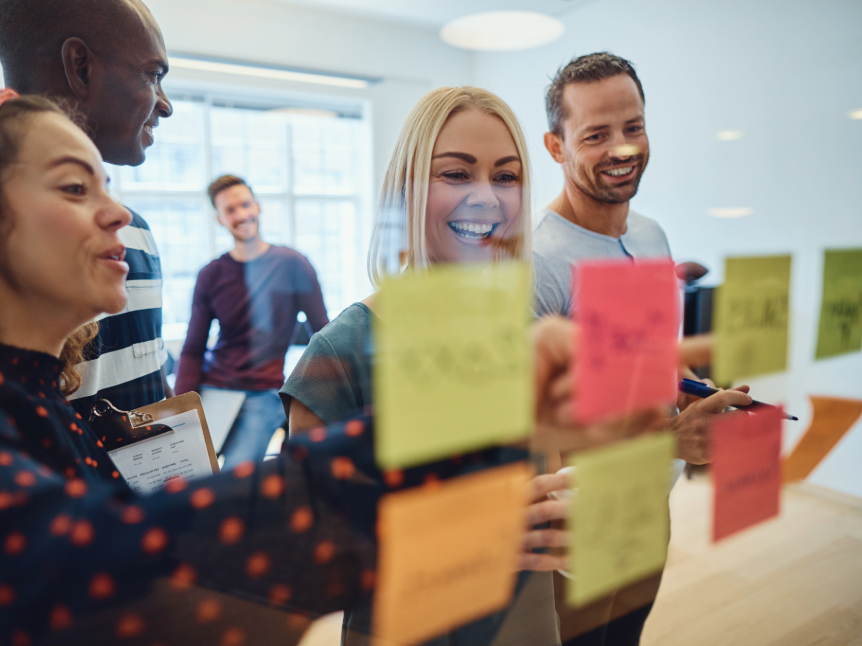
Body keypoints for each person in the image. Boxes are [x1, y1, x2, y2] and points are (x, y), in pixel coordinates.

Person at [0, 95, 585, 645]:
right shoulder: (316, 332)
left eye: (506, 176)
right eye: (75, 186)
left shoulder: (46, 402)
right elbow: (98, 561)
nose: (119, 211)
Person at [282, 86, 567, 646]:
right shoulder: (340, 353)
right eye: (456, 175)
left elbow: (545, 497)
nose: (486, 197)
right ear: (408, 187)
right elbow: (314, 560)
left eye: (506, 177)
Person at [534, 52, 753, 645]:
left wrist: (695, 400)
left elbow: (654, 356)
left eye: (633, 127)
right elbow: (532, 436)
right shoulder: (536, 261)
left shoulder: (652, 234)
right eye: (596, 135)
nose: (622, 148)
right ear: (556, 147)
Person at [0, 0, 174, 419]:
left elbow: (155, 387)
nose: (165, 105)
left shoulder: (138, 233)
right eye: (152, 75)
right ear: (81, 67)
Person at [175, 175, 329, 468]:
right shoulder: (211, 274)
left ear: (257, 207)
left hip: (264, 392)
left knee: (235, 475)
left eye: (245, 205)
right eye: (230, 210)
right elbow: (193, 349)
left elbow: (322, 333)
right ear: (220, 218)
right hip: (215, 388)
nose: (241, 215)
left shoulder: (293, 264)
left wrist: (313, 392)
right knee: (191, 472)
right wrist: (181, 411)